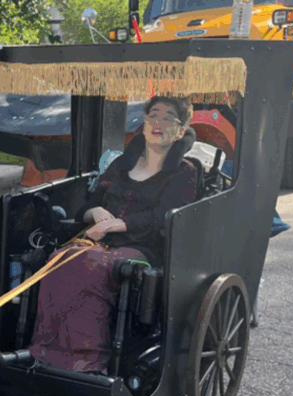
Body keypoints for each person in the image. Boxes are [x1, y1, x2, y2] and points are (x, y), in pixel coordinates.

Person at [27, 96, 199, 374]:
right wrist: (95, 213)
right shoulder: (120, 166)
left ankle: (89, 362)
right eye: (153, 115)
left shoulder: (184, 172)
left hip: (144, 250)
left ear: (180, 131)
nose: (158, 122)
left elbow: (165, 217)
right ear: (144, 124)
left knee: (90, 265)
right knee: (58, 258)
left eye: (168, 118)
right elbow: (87, 204)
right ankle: (46, 354)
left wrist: (117, 224)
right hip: (100, 243)